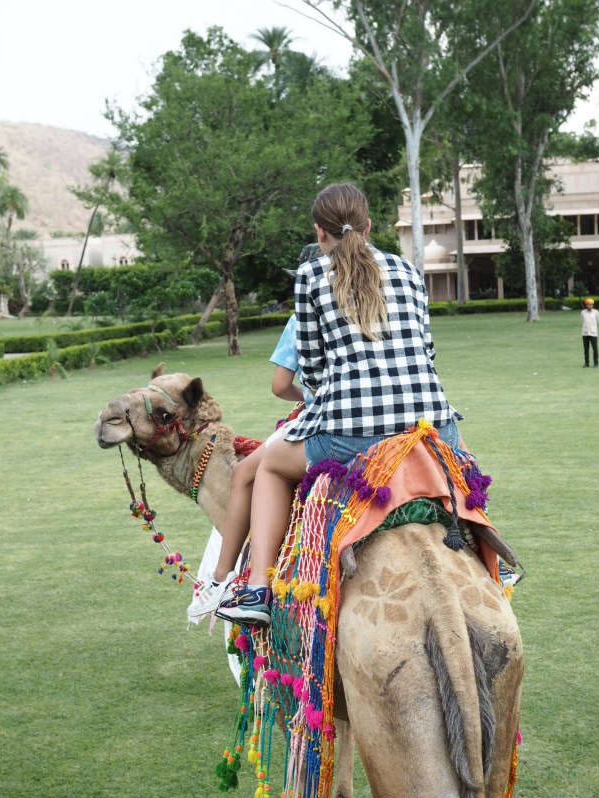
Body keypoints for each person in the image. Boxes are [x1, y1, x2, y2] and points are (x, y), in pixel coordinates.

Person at [217, 182, 462, 627]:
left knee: (269, 467)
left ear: (320, 232)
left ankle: (256, 591)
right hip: (432, 425)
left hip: (351, 435)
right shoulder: (408, 270)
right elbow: (427, 352)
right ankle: (491, 557)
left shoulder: (310, 276)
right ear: (368, 226)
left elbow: (311, 369)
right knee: (461, 464)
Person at [187, 260, 319, 619]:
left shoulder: (303, 318)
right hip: (411, 417)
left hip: (330, 422)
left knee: (248, 472)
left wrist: (307, 397)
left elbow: (280, 386)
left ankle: (229, 579)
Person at [581, 297, 599, 367]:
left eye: (591, 304)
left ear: (593, 305)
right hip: (585, 333)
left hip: (593, 333)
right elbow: (582, 321)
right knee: (586, 349)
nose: (589, 306)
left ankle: (596, 363)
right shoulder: (583, 312)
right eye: (588, 304)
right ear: (586, 305)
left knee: (595, 349)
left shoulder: (596, 312)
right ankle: (587, 363)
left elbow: (598, 321)